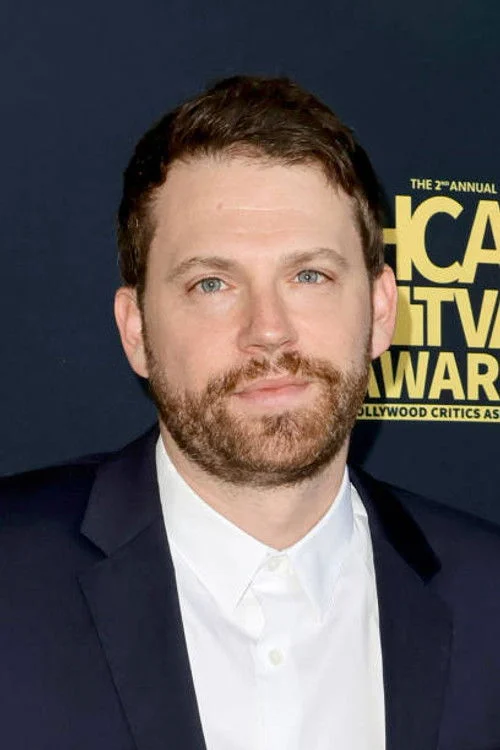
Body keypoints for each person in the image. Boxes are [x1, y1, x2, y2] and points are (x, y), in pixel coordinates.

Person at [1, 76, 500, 750]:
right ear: (136, 330)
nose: (268, 330)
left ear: (382, 310)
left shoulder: (489, 596)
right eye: (212, 283)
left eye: (310, 275)